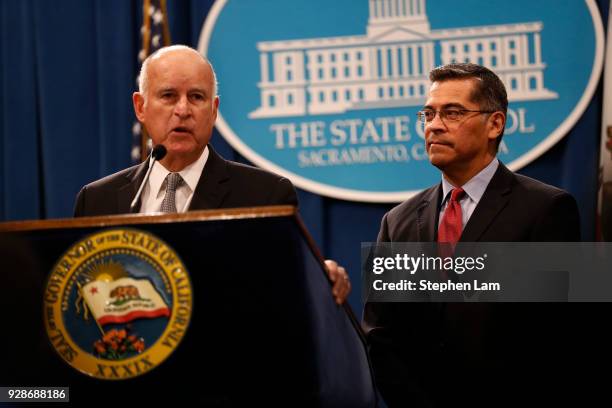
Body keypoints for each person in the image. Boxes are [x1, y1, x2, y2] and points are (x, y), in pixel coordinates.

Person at [362, 63, 581, 406]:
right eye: (428, 114)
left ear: (495, 124)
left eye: (452, 112)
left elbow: (562, 340)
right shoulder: (397, 221)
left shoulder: (549, 209)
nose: (434, 125)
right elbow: (381, 336)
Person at [73, 45, 350, 304]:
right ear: (140, 107)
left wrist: (318, 276)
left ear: (214, 110)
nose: (183, 110)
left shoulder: (265, 195)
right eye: (168, 96)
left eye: (196, 97)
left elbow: (288, 286)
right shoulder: (98, 200)